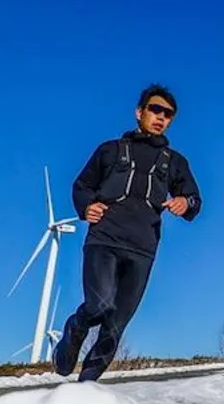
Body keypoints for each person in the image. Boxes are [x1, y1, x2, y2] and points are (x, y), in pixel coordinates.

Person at [55, 84, 203, 382]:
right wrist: (86, 208)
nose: (161, 117)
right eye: (155, 110)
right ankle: (76, 328)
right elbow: (81, 186)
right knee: (99, 305)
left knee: (115, 325)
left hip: (143, 250)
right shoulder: (110, 150)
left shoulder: (174, 162)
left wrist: (183, 202)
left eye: (168, 114)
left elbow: (194, 200)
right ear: (140, 112)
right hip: (104, 241)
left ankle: (85, 390)